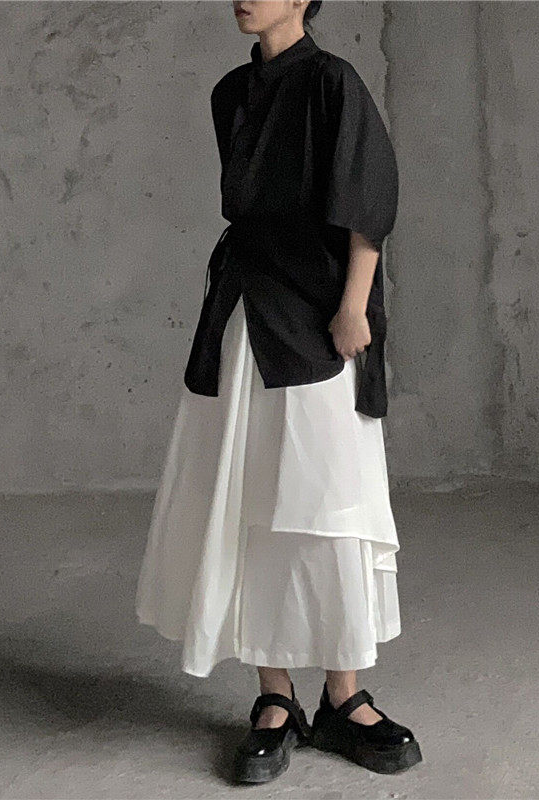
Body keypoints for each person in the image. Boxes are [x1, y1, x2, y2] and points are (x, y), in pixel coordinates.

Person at [135, 0, 422, 783]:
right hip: (245, 306)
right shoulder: (230, 94)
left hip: (322, 310)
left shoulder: (333, 82)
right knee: (249, 496)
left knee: (328, 501)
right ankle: (274, 697)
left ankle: (345, 697)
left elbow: (367, 203)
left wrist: (354, 306)